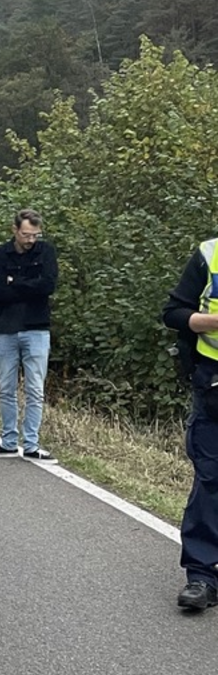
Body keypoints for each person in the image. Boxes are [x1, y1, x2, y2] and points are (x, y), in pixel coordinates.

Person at [162, 236, 218, 610]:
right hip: (213, 382)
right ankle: (202, 576)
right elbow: (174, 313)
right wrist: (211, 321)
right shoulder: (209, 253)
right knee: (211, 478)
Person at [0, 209, 58, 464]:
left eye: (35, 235)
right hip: (7, 328)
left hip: (37, 328)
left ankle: (32, 444)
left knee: (35, 389)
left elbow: (48, 286)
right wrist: (28, 285)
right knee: (5, 388)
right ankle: (9, 441)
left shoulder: (46, 252)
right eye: (26, 234)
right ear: (14, 230)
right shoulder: (1, 255)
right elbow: (1, 292)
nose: (30, 240)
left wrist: (16, 282)